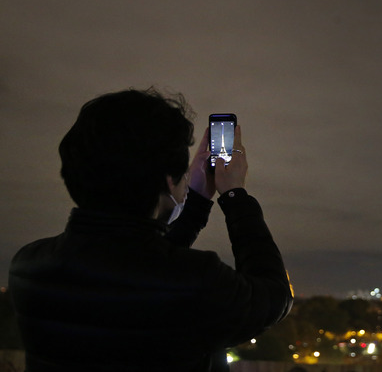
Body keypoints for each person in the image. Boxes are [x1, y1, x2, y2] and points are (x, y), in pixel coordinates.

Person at [9, 89, 293, 371]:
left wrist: (193, 200)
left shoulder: (29, 266)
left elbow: (138, 262)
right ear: (169, 180)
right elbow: (274, 296)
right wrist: (234, 195)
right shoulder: (198, 280)